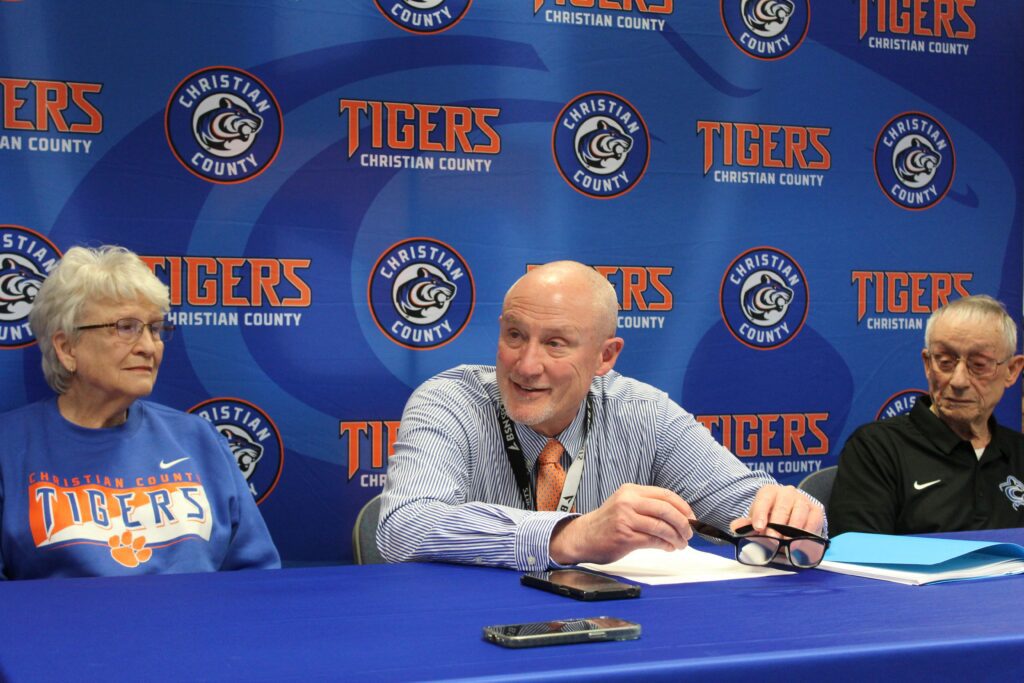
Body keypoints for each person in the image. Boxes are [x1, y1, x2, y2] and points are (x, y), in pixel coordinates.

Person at [377, 260, 824, 570]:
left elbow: (744, 505)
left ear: (605, 356)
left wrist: (793, 515)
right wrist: (571, 535)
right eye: (515, 335)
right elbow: (405, 527)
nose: (526, 365)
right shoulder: (450, 402)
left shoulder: (644, 412)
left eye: (555, 344)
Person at [0, 245, 280, 579]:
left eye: (155, 329)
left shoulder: (198, 439)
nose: (148, 347)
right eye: (126, 327)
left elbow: (256, 577)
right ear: (67, 347)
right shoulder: (10, 448)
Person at [829, 295, 1024, 535]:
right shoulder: (877, 449)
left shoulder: (1019, 452)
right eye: (945, 362)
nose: (959, 381)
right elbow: (859, 552)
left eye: (979, 365)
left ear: (1011, 371)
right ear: (928, 364)